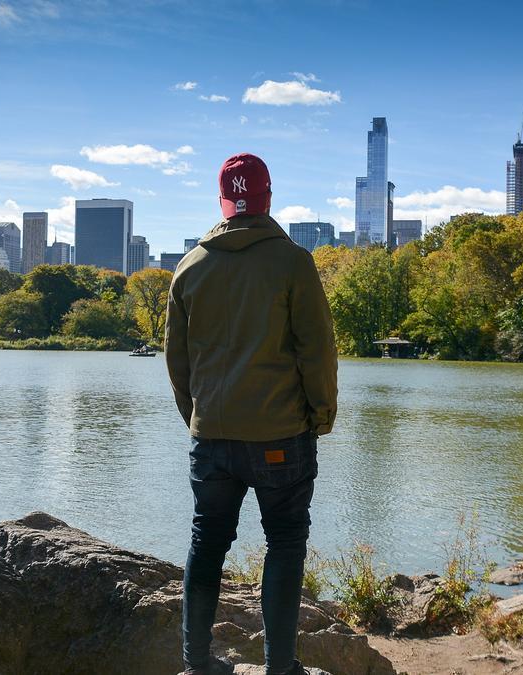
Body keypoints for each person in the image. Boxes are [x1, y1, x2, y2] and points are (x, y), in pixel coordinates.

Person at [165, 153, 337, 675]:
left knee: (206, 541)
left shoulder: (190, 266)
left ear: (223, 202)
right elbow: (317, 352)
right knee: (284, 543)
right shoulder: (292, 262)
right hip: (281, 436)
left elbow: (177, 362)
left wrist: (197, 418)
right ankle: (279, 669)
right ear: (267, 199)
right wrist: (321, 416)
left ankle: (197, 664)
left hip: (211, 437)